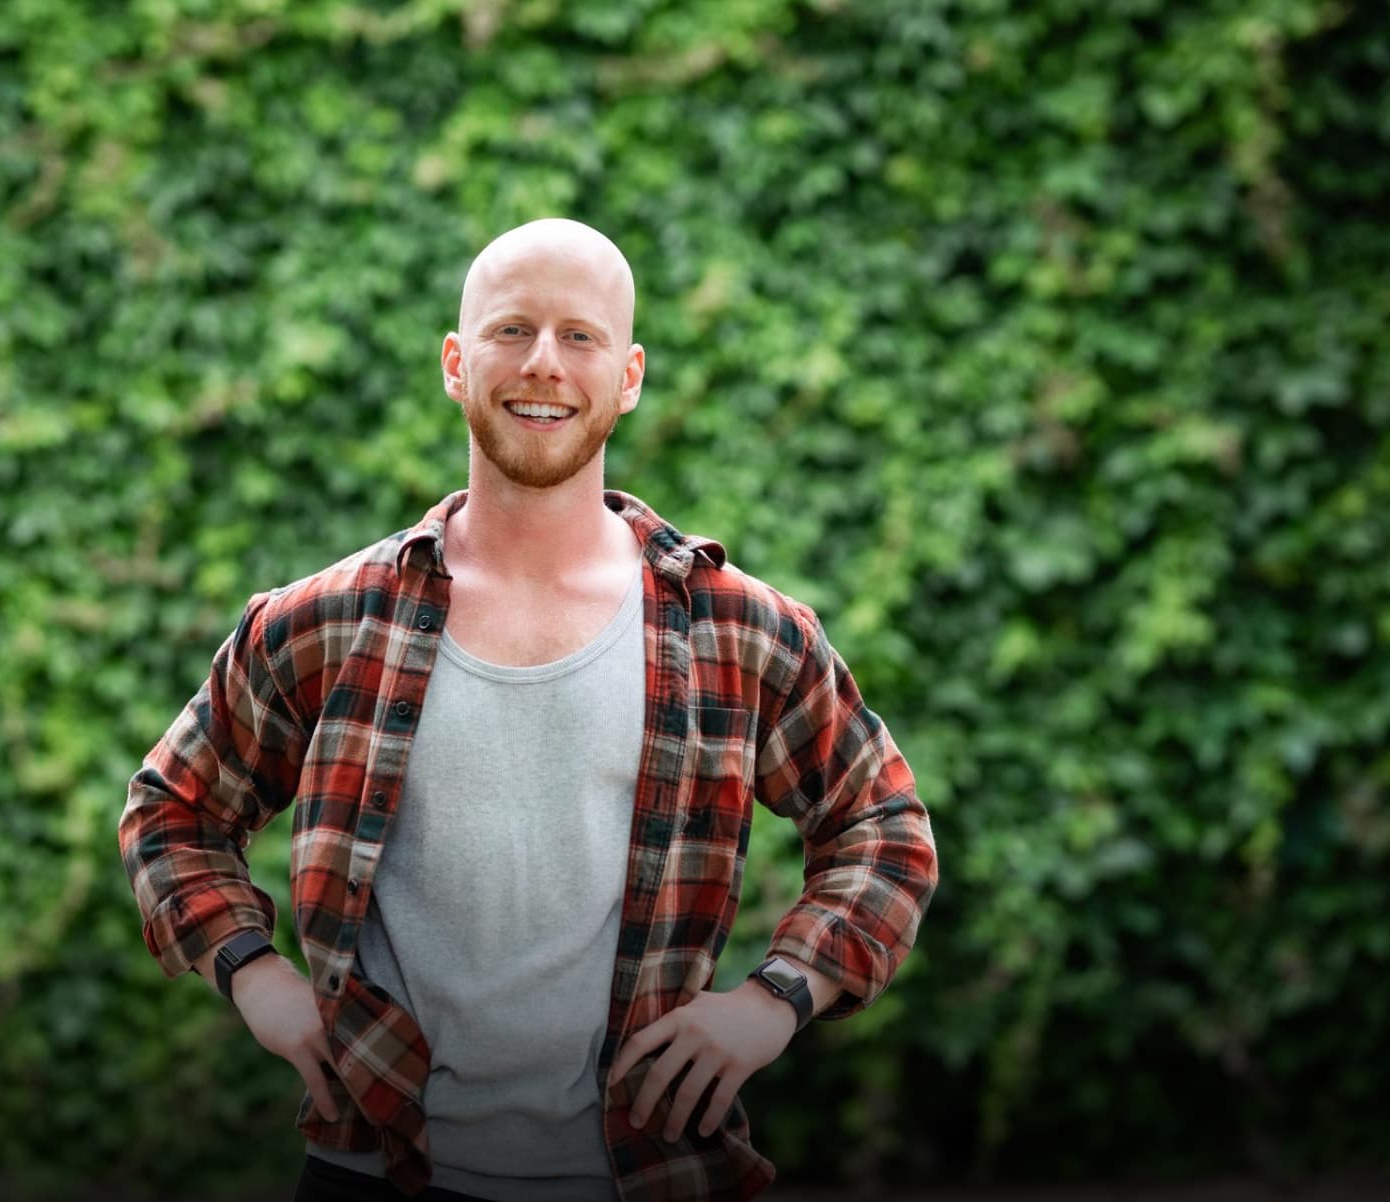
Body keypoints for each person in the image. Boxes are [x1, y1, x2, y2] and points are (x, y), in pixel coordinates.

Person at [118, 218, 939, 1202]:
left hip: (647, 1170)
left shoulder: (736, 630)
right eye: (512, 331)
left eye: (580, 336)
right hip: (375, 1167)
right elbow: (171, 806)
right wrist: (256, 974)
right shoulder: (330, 623)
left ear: (628, 376)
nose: (544, 363)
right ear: (456, 363)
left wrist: (771, 1003)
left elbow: (883, 826)